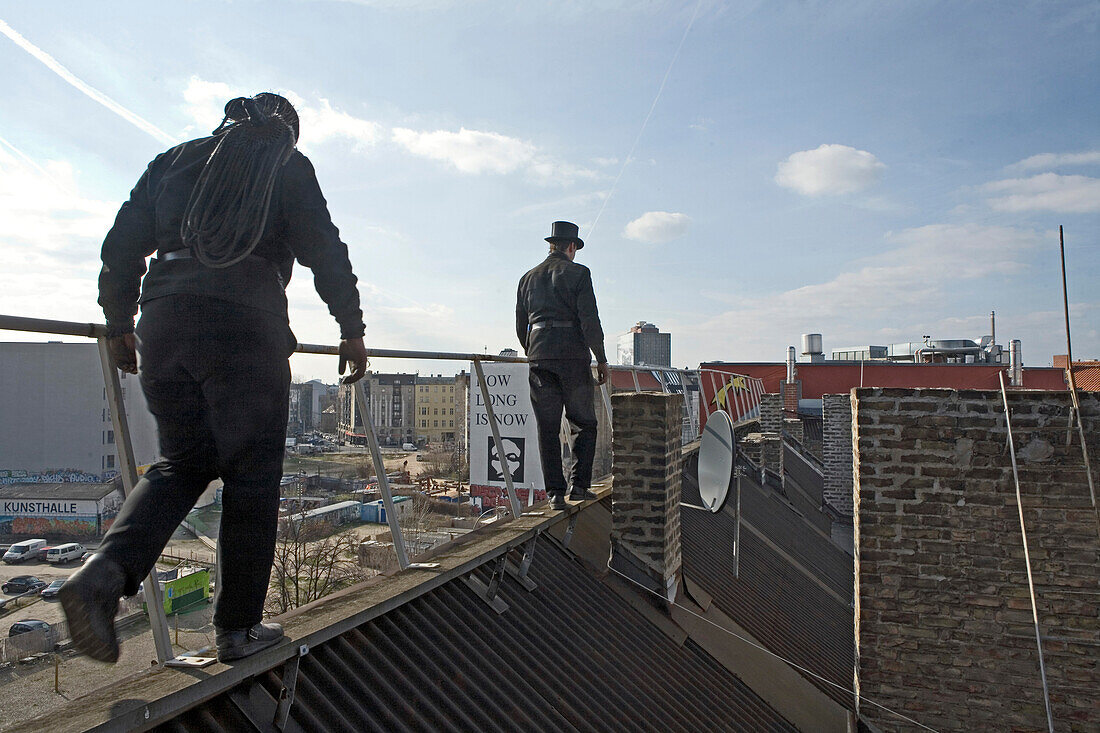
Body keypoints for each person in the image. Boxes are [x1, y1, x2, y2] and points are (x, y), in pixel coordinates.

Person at [60, 93, 369, 664]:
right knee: (252, 479)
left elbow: (121, 246)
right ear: (288, 132)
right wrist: (351, 328)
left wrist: (118, 323)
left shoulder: (174, 160)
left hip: (167, 321)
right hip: (247, 325)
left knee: (183, 463)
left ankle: (102, 573)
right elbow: (324, 249)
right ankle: (237, 629)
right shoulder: (286, 165)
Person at [515, 221, 609, 511]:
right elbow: (589, 320)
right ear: (571, 247)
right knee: (584, 423)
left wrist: (533, 350)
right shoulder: (579, 273)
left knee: (547, 427)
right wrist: (601, 357)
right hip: (573, 357)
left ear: (551, 245)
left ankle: (555, 493)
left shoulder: (527, 278)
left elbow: (521, 326)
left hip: (540, 356)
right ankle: (579, 486)